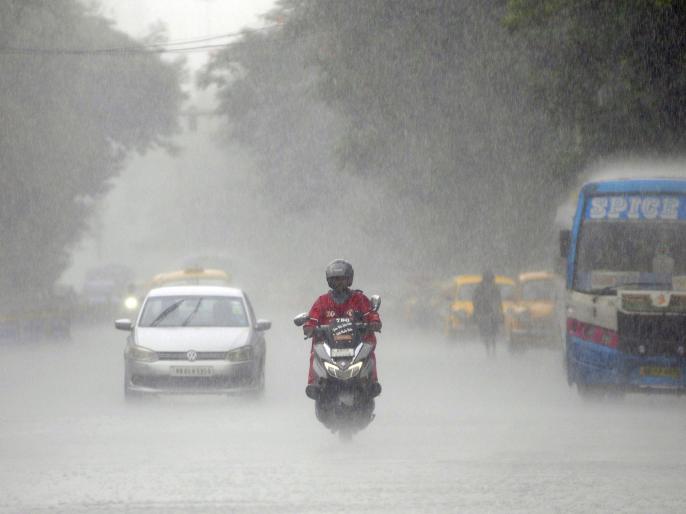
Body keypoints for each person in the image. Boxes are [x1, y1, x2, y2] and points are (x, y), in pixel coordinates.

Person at [303, 259, 382, 399]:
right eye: (335, 279)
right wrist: (309, 327)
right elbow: (312, 318)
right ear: (329, 281)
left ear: (349, 280)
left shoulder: (359, 298)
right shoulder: (322, 301)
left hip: (356, 342)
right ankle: (314, 383)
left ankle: (371, 381)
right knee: (314, 349)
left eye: (342, 279)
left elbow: (371, 314)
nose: (339, 283)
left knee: (370, 347)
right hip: (329, 344)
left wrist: (374, 322)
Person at [472, 270, 502, 355]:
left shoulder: (495, 287)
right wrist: (481, 304)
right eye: (489, 279)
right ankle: (488, 349)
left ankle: (492, 348)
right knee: (486, 333)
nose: (490, 281)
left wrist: (499, 310)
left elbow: (499, 300)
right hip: (483, 313)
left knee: (493, 333)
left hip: (492, 313)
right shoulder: (479, 288)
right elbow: (475, 300)